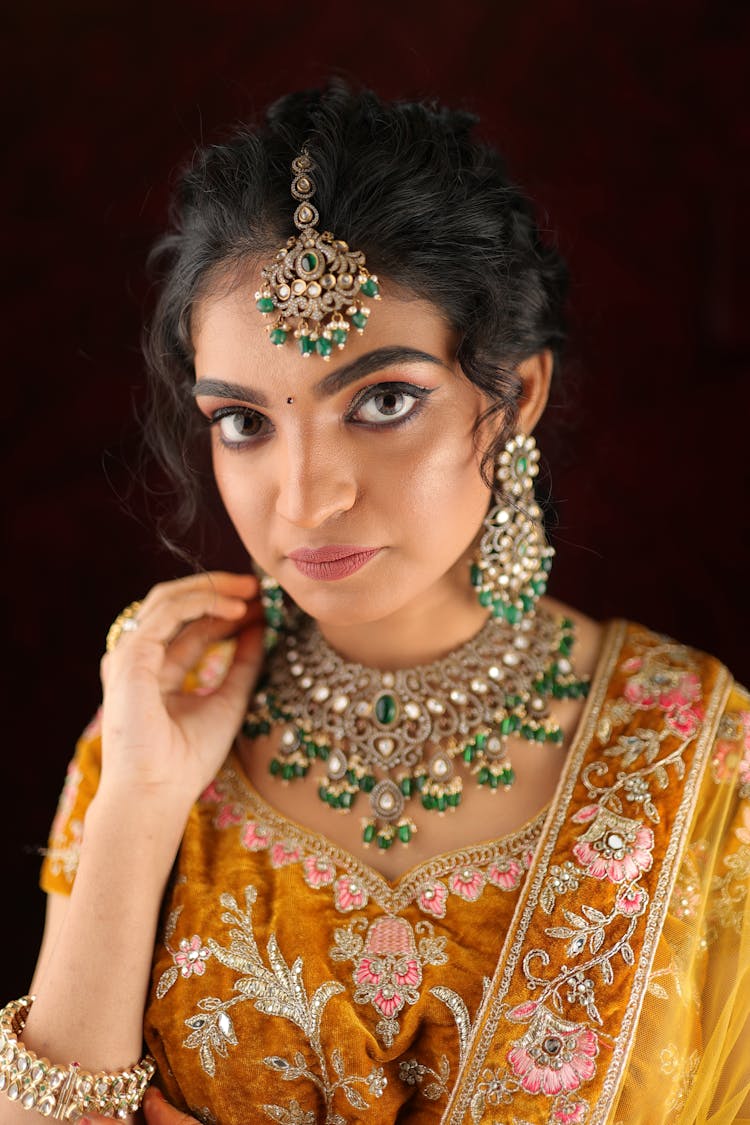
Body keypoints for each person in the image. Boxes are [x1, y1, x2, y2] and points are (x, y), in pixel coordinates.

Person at [1, 82, 747, 1125]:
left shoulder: (696, 754)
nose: (308, 498)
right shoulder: (155, 721)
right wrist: (139, 800)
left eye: (383, 402)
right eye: (246, 424)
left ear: (514, 395)